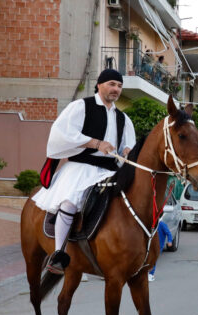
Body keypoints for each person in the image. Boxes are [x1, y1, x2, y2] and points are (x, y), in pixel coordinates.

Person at [32, 69, 136, 274]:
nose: (116, 89)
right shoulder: (81, 106)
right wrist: (96, 143)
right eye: (112, 84)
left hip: (109, 171)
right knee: (70, 202)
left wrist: (126, 151)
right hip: (81, 168)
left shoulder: (123, 118)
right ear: (99, 85)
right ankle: (59, 254)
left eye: (119, 86)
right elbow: (62, 134)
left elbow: (128, 144)